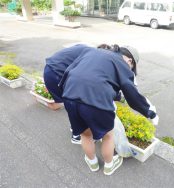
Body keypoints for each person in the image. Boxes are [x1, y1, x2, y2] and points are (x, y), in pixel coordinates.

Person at [60, 44, 159, 175]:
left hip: (69, 95)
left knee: (85, 134)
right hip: (96, 102)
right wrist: (150, 112)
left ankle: (92, 163)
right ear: (130, 61)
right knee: (108, 136)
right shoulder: (122, 64)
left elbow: (71, 69)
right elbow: (132, 93)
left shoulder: (94, 51)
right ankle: (109, 166)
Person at [44, 44, 90, 144]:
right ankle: (76, 135)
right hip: (57, 74)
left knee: (71, 104)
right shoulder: (92, 56)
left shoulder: (84, 48)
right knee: (73, 104)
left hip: (50, 70)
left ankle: (75, 127)